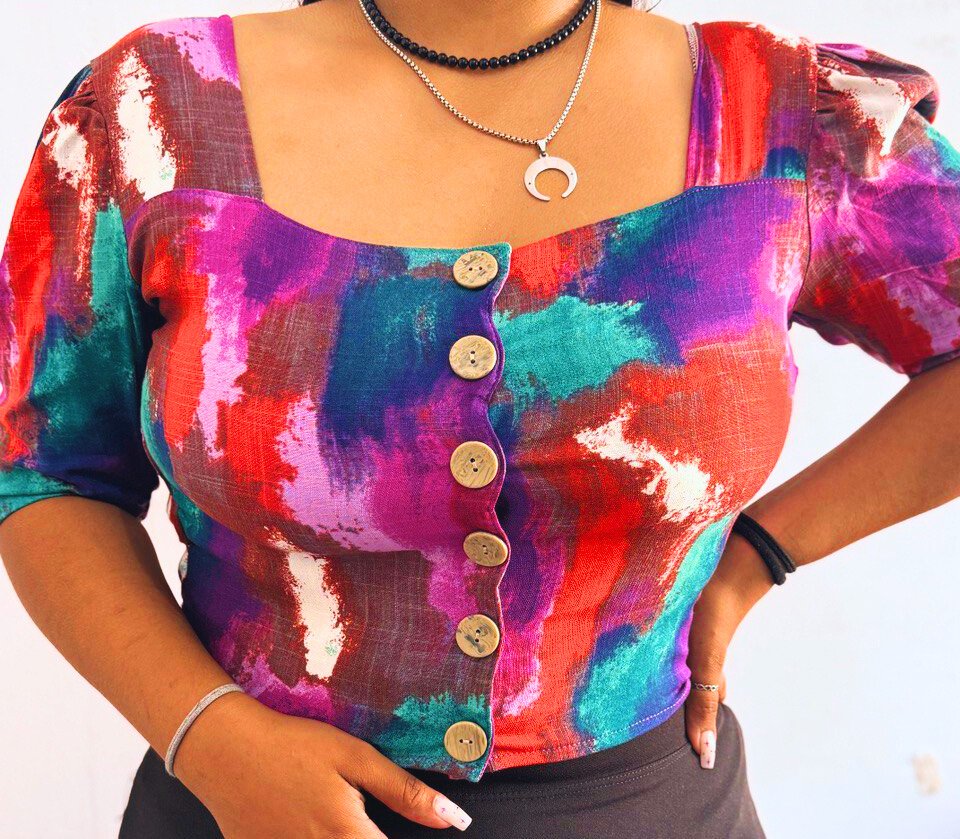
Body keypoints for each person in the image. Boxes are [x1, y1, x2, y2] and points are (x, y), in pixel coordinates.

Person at [1, 1, 958, 837]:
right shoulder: (151, 115)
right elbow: (40, 468)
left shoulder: (785, 115)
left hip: (648, 809)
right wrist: (209, 733)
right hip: (240, 811)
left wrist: (760, 554)